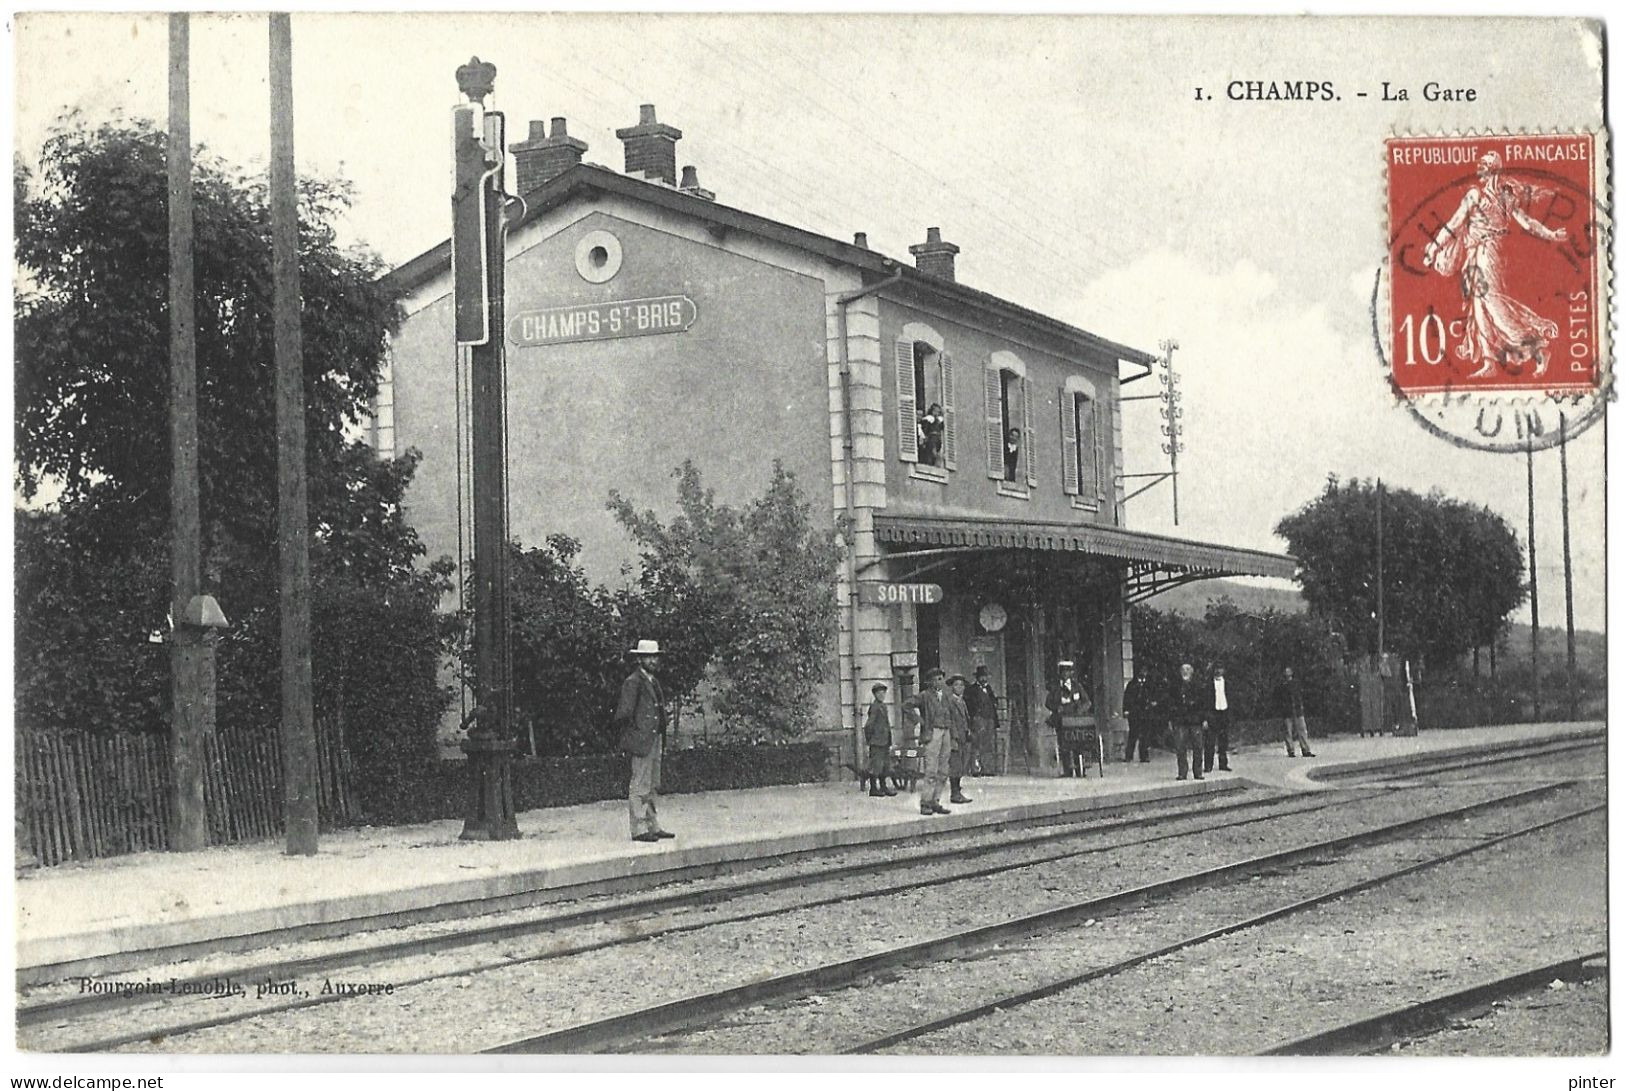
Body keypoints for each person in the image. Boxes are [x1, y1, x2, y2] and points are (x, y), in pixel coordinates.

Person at [1423, 151, 1570, 380]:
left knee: (1493, 303)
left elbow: (1527, 222)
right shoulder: (1475, 194)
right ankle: (1489, 362)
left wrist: (1551, 234)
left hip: (1491, 253)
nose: (1479, 169)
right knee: (1479, 307)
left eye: (1483, 165)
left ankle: (1537, 349)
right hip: (1475, 254)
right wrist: (1433, 247)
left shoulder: (1505, 195)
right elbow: (1454, 223)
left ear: (1493, 168)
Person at [615, 638, 675, 843]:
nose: (652, 661)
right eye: (648, 657)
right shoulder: (633, 682)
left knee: (652, 783)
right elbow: (624, 714)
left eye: (654, 657)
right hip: (642, 739)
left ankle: (652, 824)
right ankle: (639, 828)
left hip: (654, 737)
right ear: (639, 659)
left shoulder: (652, 681)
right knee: (640, 783)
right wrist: (634, 735)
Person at [904, 668, 953, 815]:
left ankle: (935, 801)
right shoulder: (924, 696)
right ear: (930, 682)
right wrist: (920, 721)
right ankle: (925, 802)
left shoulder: (946, 696)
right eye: (936, 679)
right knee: (931, 769)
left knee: (943, 769)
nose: (940, 681)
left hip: (946, 732)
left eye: (941, 678)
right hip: (933, 733)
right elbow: (906, 705)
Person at [1046, 660, 1091, 777]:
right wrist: (1057, 708)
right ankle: (1068, 771)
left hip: (1076, 720)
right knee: (1064, 744)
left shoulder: (1077, 686)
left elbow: (1087, 701)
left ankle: (1080, 769)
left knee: (1079, 743)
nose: (1065, 675)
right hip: (1062, 720)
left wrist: (1080, 709)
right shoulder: (1056, 687)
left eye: (1067, 672)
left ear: (1071, 673)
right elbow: (1048, 702)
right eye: (1063, 672)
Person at [1169, 661, 1206, 781]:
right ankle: (1182, 772)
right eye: (1183, 670)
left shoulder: (1198, 686)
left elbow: (1203, 704)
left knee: (1198, 747)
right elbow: (1171, 704)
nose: (1185, 672)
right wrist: (1172, 719)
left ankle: (1198, 772)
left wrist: (1204, 719)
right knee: (1180, 748)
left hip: (1195, 721)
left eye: (1188, 670)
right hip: (1180, 721)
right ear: (1180, 673)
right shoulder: (1175, 687)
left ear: (1192, 672)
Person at [863, 682, 897, 797]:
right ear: (875, 695)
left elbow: (886, 725)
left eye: (884, 692)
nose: (882, 695)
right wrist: (870, 740)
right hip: (877, 742)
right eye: (879, 693)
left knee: (885, 765)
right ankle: (873, 789)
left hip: (884, 741)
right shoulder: (875, 707)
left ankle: (883, 786)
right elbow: (868, 725)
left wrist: (889, 739)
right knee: (876, 766)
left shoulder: (884, 706)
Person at [965, 665, 1001, 776]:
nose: (984, 679)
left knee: (988, 744)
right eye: (982, 676)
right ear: (977, 677)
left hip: (989, 719)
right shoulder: (971, 689)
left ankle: (988, 769)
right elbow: (969, 705)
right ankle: (976, 769)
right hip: (978, 720)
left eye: (985, 676)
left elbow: (994, 701)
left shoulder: (988, 688)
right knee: (977, 744)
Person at [1275, 666, 1316, 757]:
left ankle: (1305, 749)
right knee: (1288, 731)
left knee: (1301, 730)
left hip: (1297, 710)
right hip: (1288, 711)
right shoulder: (1282, 686)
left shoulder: (1296, 684)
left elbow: (1299, 695)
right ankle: (1291, 750)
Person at [947, 675, 973, 804]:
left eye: (961, 685)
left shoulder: (962, 701)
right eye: (956, 685)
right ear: (952, 687)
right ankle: (955, 793)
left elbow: (965, 719)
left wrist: (968, 730)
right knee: (955, 766)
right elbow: (950, 720)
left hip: (963, 737)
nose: (959, 687)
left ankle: (958, 791)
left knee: (961, 765)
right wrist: (954, 736)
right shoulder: (950, 701)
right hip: (954, 738)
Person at [1204, 664, 1233, 773]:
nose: (1218, 671)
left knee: (1224, 740)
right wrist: (1206, 718)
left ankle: (1223, 764)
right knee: (1210, 741)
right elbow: (1206, 702)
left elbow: (1231, 698)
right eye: (1216, 669)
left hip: (1224, 712)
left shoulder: (1228, 683)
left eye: (1221, 669)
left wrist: (1230, 714)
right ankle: (1208, 765)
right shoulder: (1208, 684)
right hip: (1213, 713)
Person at [1122, 671, 1153, 763]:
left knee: (1145, 735)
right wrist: (1126, 709)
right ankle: (1129, 755)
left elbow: (1150, 696)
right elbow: (1127, 698)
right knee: (1133, 734)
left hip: (1145, 713)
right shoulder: (1132, 685)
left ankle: (1144, 756)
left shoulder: (1147, 685)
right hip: (1134, 713)